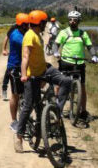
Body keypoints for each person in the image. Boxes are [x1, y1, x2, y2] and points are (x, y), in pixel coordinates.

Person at [14, 10, 71, 153]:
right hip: (31, 76)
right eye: (44, 22)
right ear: (40, 23)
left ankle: (57, 109)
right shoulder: (29, 36)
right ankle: (19, 137)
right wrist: (23, 75)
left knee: (66, 81)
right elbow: (25, 57)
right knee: (28, 106)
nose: (45, 24)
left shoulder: (38, 35)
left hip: (44, 70)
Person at [54, 9, 98, 122]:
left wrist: (93, 55)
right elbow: (56, 44)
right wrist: (56, 52)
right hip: (66, 62)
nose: (72, 21)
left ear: (79, 21)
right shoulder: (64, 32)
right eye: (70, 19)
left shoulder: (83, 34)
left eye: (75, 20)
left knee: (82, 87)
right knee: (60, 83)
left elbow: (89, 46)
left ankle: (83, 111)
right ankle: (56, 106)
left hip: (79, 63)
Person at [4, 13, 30, 132]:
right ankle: (13, 121)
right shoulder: (17, 36)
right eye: (25, 25)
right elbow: (28, 47)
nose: (27, 26)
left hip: (24, 67)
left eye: (28, 24)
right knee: (15, 95)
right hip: (14, 68)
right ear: (20, 25)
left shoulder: (23, 33)